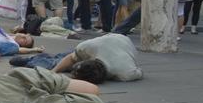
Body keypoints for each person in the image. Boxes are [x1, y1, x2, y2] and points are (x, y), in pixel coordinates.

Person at [11, 34, 142, 84]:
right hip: (105, 42)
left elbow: (137, 71)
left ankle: (34, 59)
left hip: (116, 41)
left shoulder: (126, 73)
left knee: (61, 60)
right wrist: (54, 72)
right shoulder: (86, 47)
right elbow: (71, 58)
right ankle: (33, 60)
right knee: (58, 63)